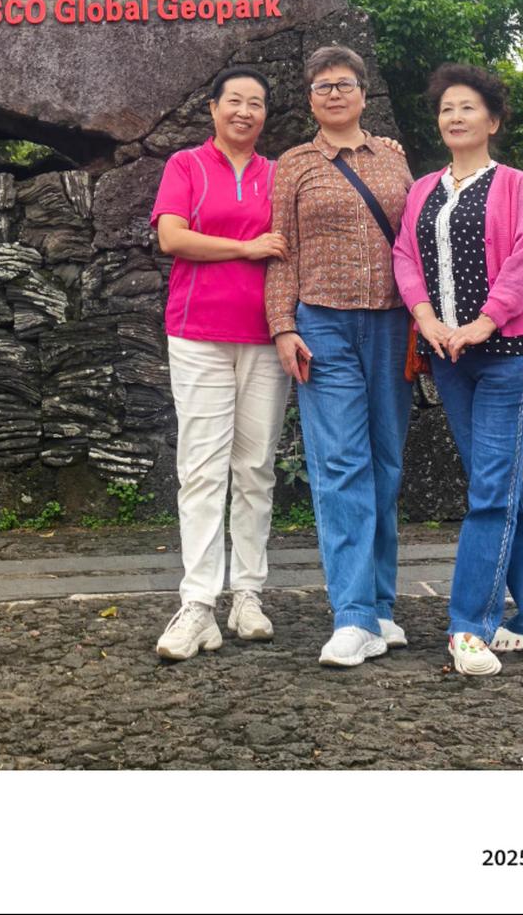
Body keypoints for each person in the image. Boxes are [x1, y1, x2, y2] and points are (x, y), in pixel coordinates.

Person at [392, 63, 523, 677]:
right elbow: (405, 258)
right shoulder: (423, 190)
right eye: (446, 109)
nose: (455, 117)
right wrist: (428, 320)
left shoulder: (516, 185)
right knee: (500, 486)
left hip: (506, 356)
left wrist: (482, 323)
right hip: (449, 358)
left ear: (491, 120)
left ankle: (470, 624)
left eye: (467, 107)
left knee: (489, 492)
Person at [266, 45, 413, 668]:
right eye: (322, 85)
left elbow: (413, 241)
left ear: (362, 92)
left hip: (392, 323)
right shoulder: (294, 165)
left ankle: (380, 604)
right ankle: (351, 615)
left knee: (386, 462)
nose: (333, 93)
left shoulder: (396, 161)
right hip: (321, 325)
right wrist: (281, 326)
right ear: (309, 98)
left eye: (344, 83)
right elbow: (281, 251)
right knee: (339, 466)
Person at [150, 67, 290, 661]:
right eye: (234, 100)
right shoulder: (186, 166)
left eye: (256, 103)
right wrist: (246, 247)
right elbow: (172, 238)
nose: (245, 111)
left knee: (256, 467)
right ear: (213, 109)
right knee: (202, 469)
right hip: (198, 333)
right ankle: (198, 604)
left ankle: (248, 594)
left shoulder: (279, 174)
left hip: (264, 337)